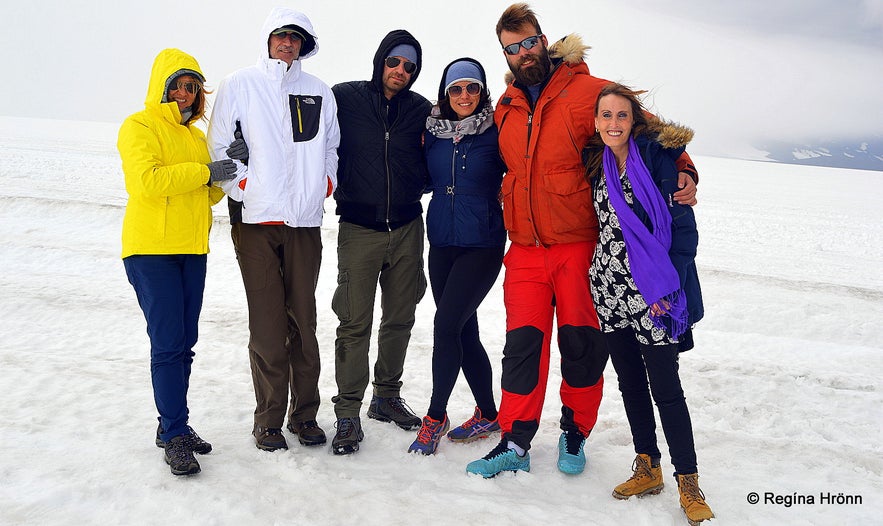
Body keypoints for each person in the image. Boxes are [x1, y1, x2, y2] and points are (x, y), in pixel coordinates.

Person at [467, 3, 699, 478]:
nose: (523, 53)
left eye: (530, 42)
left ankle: (575, 431)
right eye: (512, 48)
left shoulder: (587, 91)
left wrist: (684, 170)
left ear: (543, 39)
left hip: (579, 247)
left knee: (581, 346)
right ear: (505, 54)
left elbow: (652, 131)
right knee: (522, 348)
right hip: (526, 251)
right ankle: (515, 439)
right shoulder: (506, 108)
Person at [207, 7, 340, 452]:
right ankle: (267, 421)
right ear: (268, 39)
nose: (288, 43)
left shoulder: (318, 91)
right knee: (267, 325)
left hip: (304, 222)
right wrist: (242, 187)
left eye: (296, 38)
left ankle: (304, 416)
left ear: (305, 45)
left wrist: (324, 184)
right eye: (281, 35)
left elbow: (332, 148)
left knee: (304, 320)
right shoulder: (239, 84)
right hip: (256, 222)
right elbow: (220, 145)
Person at [585, 82, 713, 525]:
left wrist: (669, 288)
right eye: (606, 115)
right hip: (608, 288)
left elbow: (685, 232)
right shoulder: (595, 162)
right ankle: (648, 466)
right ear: (596, 121)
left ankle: (689, 481)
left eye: (621, 115)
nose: (613, 124)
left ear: (635, 120)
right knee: (630, 383)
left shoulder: (658, 160)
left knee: (667, 389)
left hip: (654, 293)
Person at [119, 48, 238, 475]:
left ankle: (173, 425)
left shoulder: (195, 138)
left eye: (192, 87)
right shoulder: (139, 125)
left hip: (192, 250)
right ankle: (174, 433)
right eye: (179, 84)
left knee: (184, 344)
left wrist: (227, 170)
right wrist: (207, 172)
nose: (186, 93)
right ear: (163, 85)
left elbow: (206, 194)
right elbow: (146, 181)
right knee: (168, 344)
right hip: (151, 251)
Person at [329, 30, 431, 455]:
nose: (401, 72)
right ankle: (348, 414)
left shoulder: (422, 109)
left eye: (409, 66)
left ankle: (386, 397)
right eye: (395, 62)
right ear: (381, 60)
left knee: (400, 318)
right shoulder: (344, 98)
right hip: (359, 228)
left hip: (408, 225)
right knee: (354, 322)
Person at [407, 58, 506, 455]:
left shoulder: (498, 130)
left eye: (472, 88)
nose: (464, 96)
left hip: (482, 244)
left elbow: (523, 165)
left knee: (446, 326)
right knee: (464, 330)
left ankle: (435, 416)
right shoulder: (431, 133)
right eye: (456, 89)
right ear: (446, 94)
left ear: (482, 91)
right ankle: (488, 412)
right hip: (442, 242)